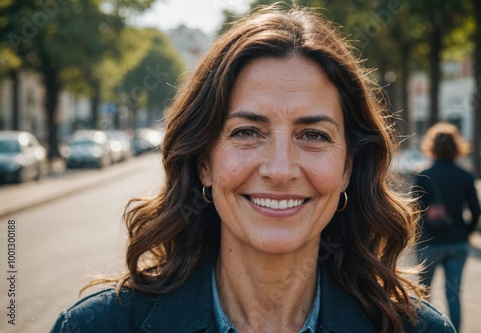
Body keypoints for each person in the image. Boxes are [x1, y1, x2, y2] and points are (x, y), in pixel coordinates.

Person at [51, 5, 456, 333]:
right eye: (247, 132)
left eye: (313, 135)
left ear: (348, 167)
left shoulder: (420, 330)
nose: (280, 170)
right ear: (204, 162)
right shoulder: (97, 327)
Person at [414, 122, 481, 332]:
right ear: (457, 146)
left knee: (423, 294)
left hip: (428, 242)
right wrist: (465, 232)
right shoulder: (465, 175)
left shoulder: (424, 174)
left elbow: (414, 211)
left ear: (431, 145)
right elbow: (477, 210)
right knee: (453, 294)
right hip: (457, 242)